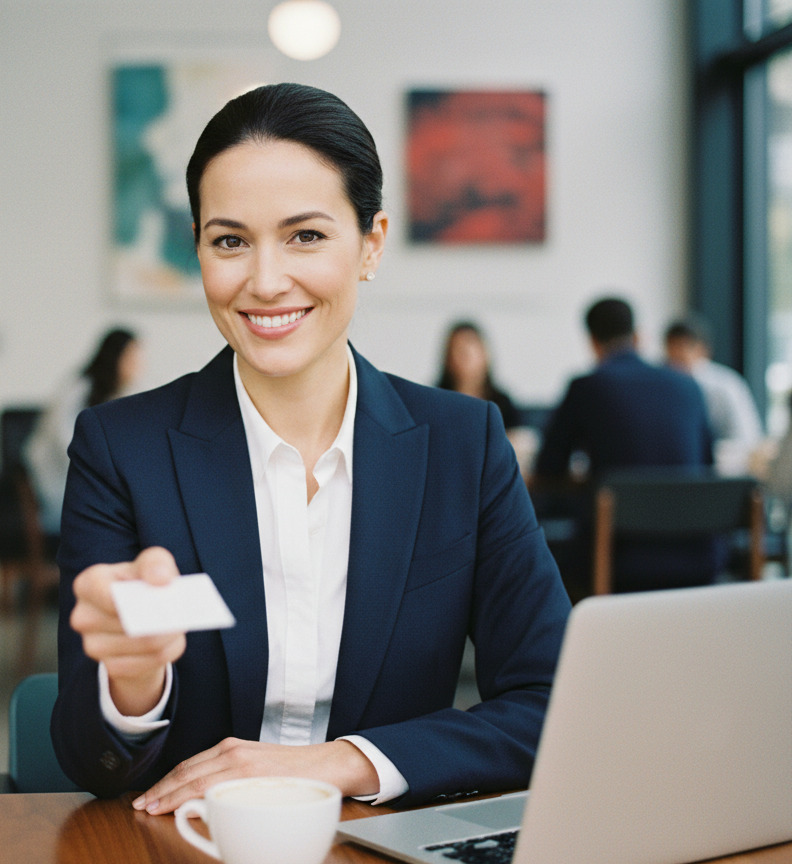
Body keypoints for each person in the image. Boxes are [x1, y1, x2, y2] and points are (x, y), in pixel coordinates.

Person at [50, 83, 571, 813]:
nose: (265, 282)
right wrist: (132, 685)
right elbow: (87, 759)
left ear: (371, 245)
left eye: (305, 236)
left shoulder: (464, 445)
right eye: (229, 240)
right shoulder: (120, 450)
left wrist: (343, 763)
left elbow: (552, 706)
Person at [534, 297, 718, 590]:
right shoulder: (688, 386)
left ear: (592, 341)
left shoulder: (586, 387)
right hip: (696, 553)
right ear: (638, 336)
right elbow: (707, 466)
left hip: (616, 556)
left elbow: (549, 467)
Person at [24, 327, 143, 534]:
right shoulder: (78, 388)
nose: (137, 366)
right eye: (130, 358)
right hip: (57, 481)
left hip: (90, 481)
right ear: (114, 357)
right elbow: (64, 441)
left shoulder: (119, 396)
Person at [663, 316, 764, 475]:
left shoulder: (726, 385)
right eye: (671, 347)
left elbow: (748, 440)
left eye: (685, 347)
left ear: (703, 350)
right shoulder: (660, 385)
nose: (677, 355)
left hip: (720, 473)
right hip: (675, 472)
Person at [435, 320, 522, 430]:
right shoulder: (434, 402)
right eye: (456, 351)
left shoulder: (502, 402)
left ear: (484, 355)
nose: (462, 359)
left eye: (467, 353)